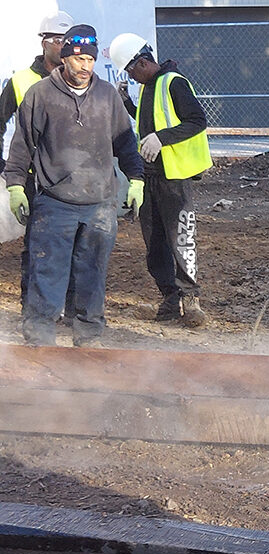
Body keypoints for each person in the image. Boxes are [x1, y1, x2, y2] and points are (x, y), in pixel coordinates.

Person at [3, 24, 145, 347]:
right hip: (54, 202)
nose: (85, 67)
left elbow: (126, 143)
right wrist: (14, 185)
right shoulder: (40, 95)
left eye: (91, 61)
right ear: (65, 57)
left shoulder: (107, 96)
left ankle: (89, 340)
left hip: (99, 203)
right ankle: (40, 343)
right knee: (47, 273)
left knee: (92, 275)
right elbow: (22, 144)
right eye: (79, 59)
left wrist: (136, 179)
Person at [109, 33, 212, 327]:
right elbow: (148, 121)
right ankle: (169, 298)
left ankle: (190, 299)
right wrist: (127, 103)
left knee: (181, 238)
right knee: (154, 243)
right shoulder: (149, 87)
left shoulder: (174, 82)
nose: (131, 76)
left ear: (142, 63)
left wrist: (162, 139)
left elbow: (197, 121)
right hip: (151, 175)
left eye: (131, 71)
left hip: (174, 176)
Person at [0, 9, 75, 312]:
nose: (63, 46)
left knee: (74, 244)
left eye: (67, 40)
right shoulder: (21, 81)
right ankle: (33, 308)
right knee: (35, 245)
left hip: (72, 178)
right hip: (33, 177)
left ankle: (72, 309)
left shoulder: (81, 80)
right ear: (44, 42)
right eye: (57, 39)